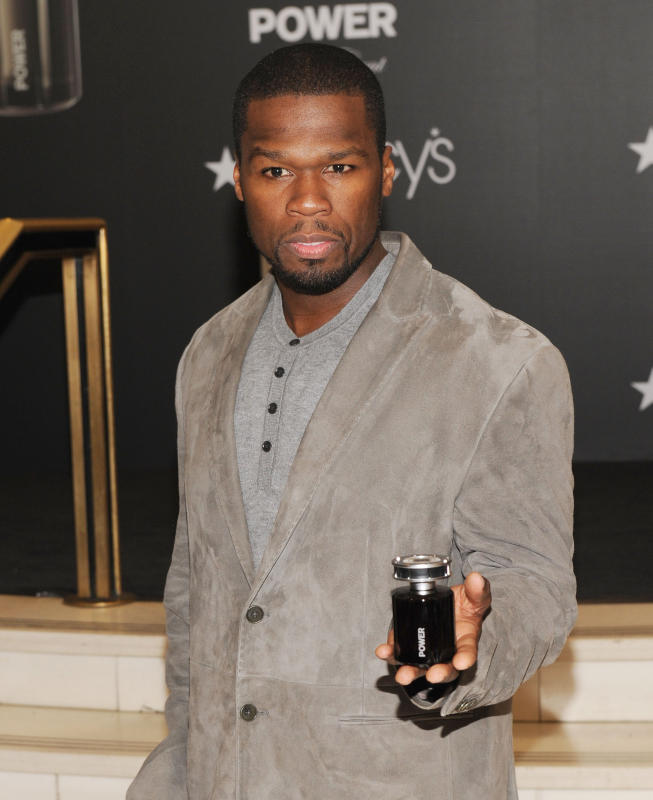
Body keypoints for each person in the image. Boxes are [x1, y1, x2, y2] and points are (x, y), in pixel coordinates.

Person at [128, 43, 576, 800]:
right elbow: (194, 592)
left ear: (387, 171)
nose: (307, 200)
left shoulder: (499, 359)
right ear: (238, 181)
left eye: (339, 166)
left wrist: (465, 650)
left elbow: (533, 584)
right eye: (276, 171)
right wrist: (180, 767)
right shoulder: (208, 352)